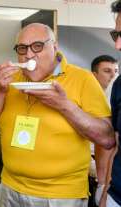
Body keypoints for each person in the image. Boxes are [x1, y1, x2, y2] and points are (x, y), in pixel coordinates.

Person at [0, 23, 115, 207]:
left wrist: (64, 106)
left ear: (54, 46)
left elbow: (106, 137)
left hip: (61, 195)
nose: (28, 55)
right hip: (9, 188)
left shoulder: (83, 79)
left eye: (37, 46)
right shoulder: (12, 79)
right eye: (22, 48)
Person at [90, 55, 118, 206]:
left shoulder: (116, 103)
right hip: (90, 172)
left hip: (110, 176)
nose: (113, 75)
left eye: (116, 70)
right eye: (107, 71)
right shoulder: (83, 103)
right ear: (94, 75)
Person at [102, 1, 121, 206]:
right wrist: (105, 192)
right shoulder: (119, 85)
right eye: (116, 35)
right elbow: (115, 145)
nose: (117, 45)